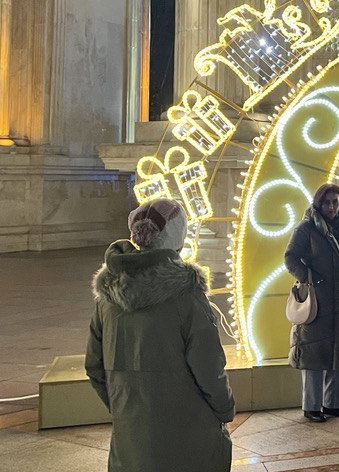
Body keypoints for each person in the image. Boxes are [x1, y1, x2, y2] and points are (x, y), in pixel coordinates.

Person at [86, 199, 236, 472]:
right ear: (178, 237)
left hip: (130, 438)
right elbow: (209, 366)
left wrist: (125, 407)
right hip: (190, 435)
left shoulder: (107, 296)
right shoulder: (187, 295)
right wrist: (225, 409)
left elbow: (94, 366)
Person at [284, 184, 339, 422]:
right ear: (319, 203)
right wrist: (310, 278)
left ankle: (334, 404)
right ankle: (312, 406)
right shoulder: (307, 227)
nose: (331, 207)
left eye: (335, 202)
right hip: (317, 299)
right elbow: (290, 257)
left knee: (338, 353)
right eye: (327, 202)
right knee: (313, 354)